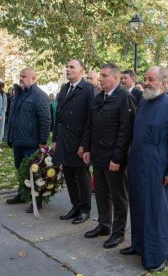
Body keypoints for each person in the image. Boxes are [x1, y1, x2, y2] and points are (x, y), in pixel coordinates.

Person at [120, 66, 168, 272]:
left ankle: (157, 255)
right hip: (139, 165)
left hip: (158, 169)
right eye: (145, 79)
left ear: (165, 83)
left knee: (157, 212)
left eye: (151, 79)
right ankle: (139, 244)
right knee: (139, 207)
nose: (146, 82)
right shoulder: (144, 101)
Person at [82, 63, 132, 249]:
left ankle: (118, 232)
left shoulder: (124, 97)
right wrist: (86, 148)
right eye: (100, 75)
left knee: (118, 196)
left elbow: (125, 131)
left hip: (114, 159)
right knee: (101, 193)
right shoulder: (98, 97)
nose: (100, 79)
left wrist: (117, 158)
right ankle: (104, 225)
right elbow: (90, 125)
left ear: (115, 79)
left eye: (104, 75)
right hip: (98, 155)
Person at [52, 59, 95, 224]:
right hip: (64, 140)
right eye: (67, 66)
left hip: (78, 142)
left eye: (72, 67)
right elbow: (59, 117)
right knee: (69, 175)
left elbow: (89, 121)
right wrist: (55, 139)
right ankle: (75, 206)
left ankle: (85, 209)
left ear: (81, 71)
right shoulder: (64, 88)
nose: (67, 69)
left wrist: (84, 145)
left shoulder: (88, 90)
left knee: (82, 176)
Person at [6, 68, 51, 213]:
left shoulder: (39, 95)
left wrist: (42, 141)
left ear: (33, 78)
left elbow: (45, 119)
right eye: (20, 76)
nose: (21, 78)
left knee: (34, 173)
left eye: (24, 76)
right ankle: (22, 194)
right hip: (18, 141)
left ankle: (37, 200)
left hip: (31, 143)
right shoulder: (19, 93)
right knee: (20, 170)